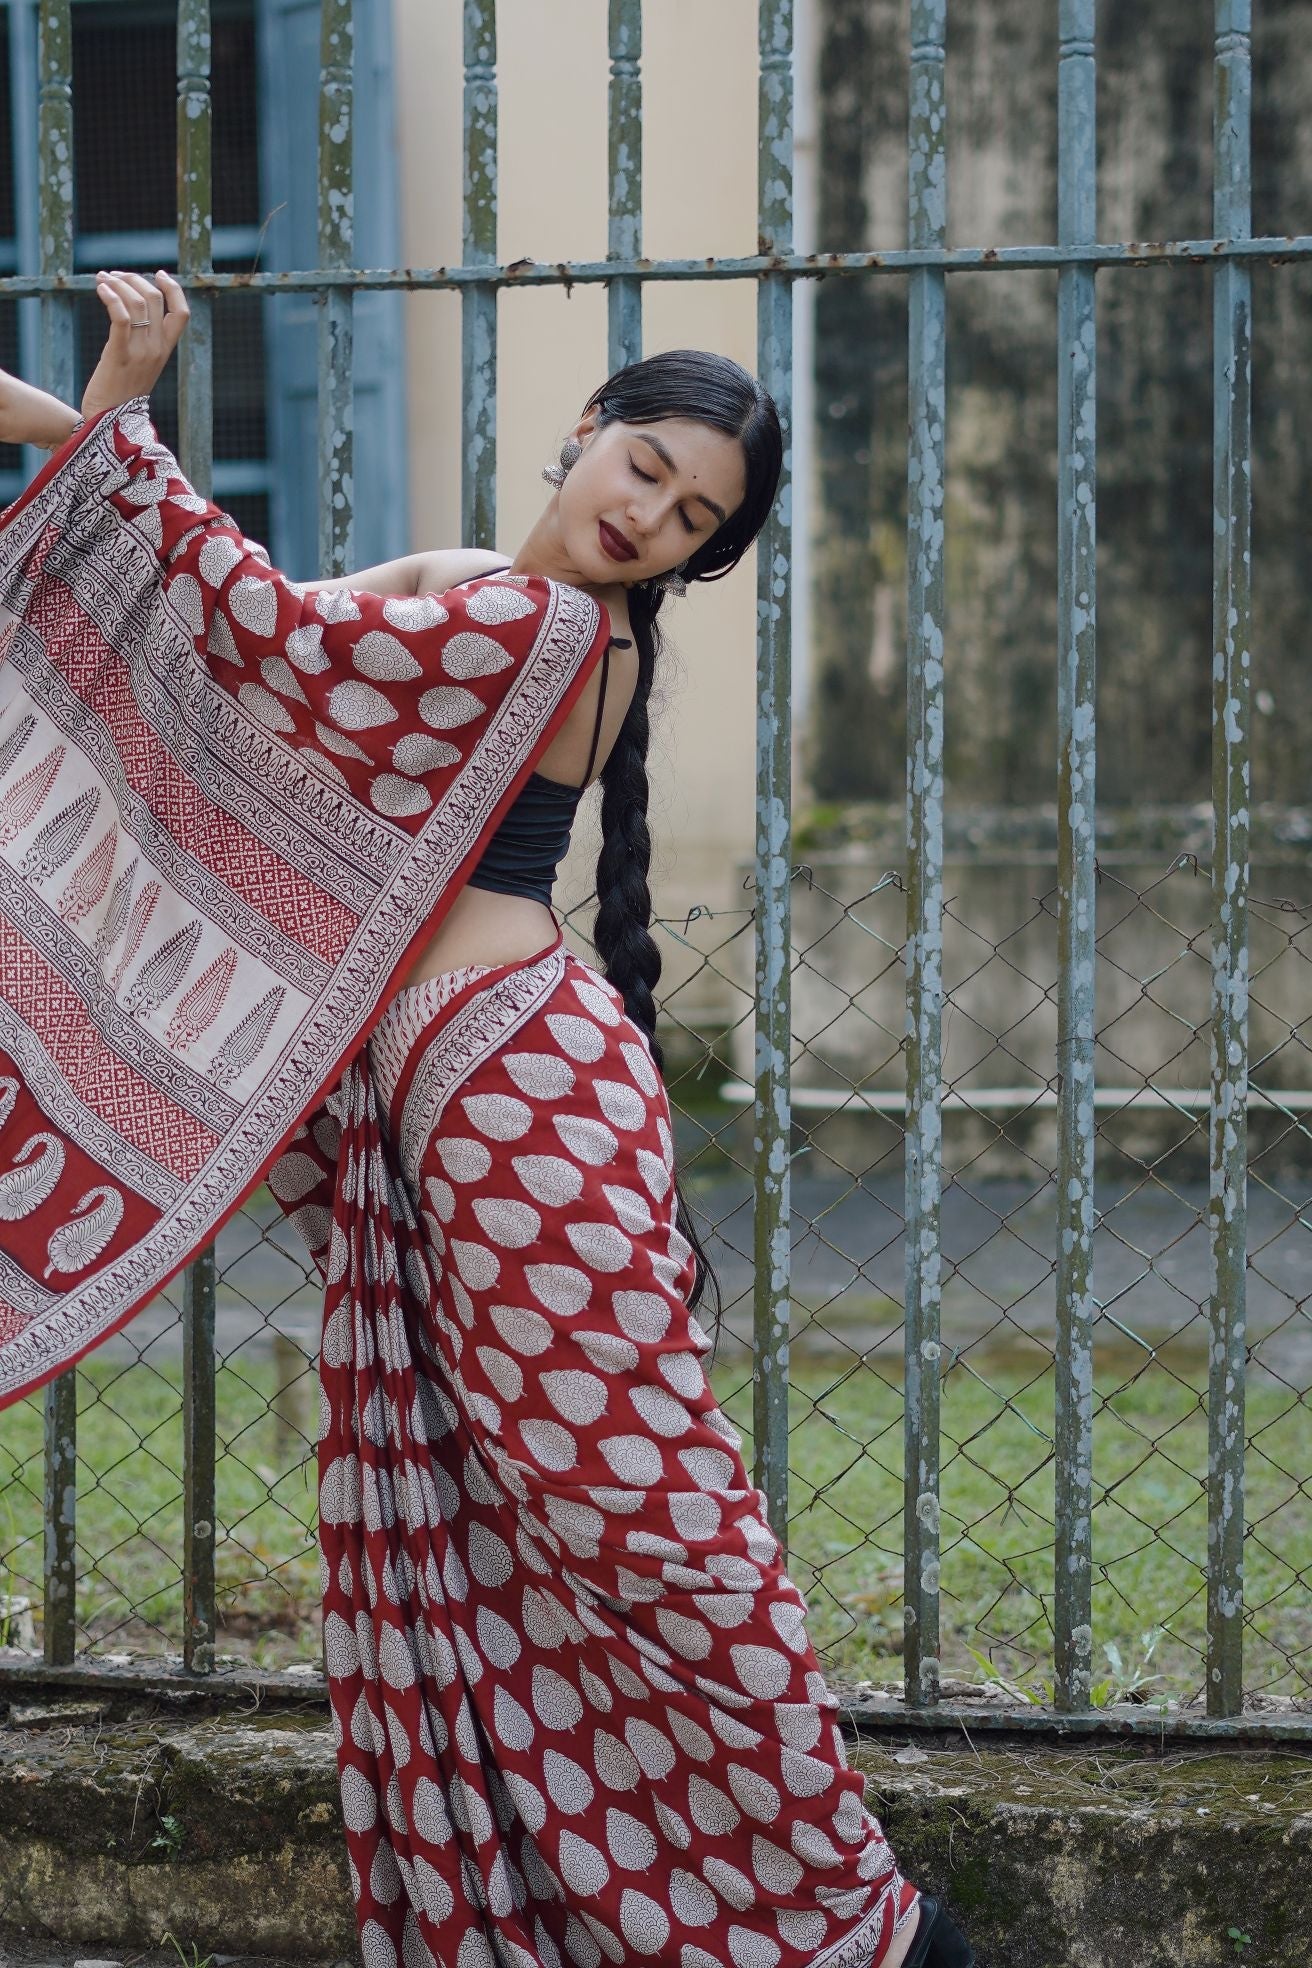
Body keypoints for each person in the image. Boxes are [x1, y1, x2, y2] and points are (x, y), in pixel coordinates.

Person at [0, 271, 972, 1968]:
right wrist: (69, 416)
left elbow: (264, 638)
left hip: (521, 1095)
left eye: (694, 516)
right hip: (447, 1094)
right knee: (502, 1510)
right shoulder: (472, 587)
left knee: (642, 1515)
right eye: (649, 465)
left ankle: (862, 1929)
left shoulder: (538, 632)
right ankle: (631, 1907)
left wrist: (123, 392)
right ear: (586, 428)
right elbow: (240, 664)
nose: (651, 514)